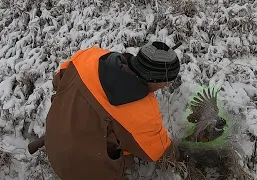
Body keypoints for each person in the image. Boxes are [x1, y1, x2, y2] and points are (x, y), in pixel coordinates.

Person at [28, 41, 181, 180]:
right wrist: (185, 156)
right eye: (166, 82)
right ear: (154, 80)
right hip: (78, 172)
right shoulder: (142, 112)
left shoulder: (90, 56)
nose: (166, 86)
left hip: (53, 141)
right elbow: (158, 151)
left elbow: (58, 80)